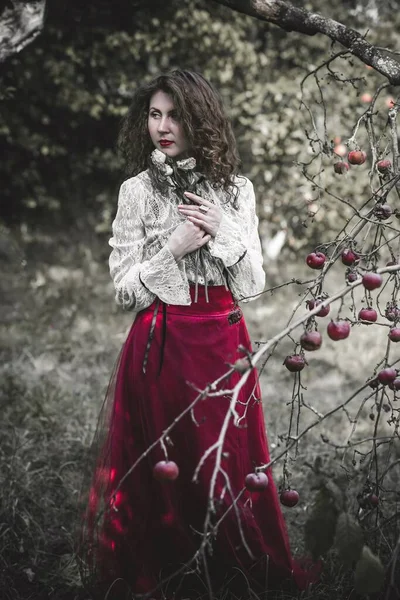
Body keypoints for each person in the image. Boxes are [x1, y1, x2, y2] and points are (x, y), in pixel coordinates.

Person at [78, 69, 316, 600]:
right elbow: (122, 291)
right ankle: (168, 570)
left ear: (199, 119)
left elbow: (253, 285)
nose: (163, 126)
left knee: (227, 460)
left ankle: (231, 569)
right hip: (160, 343)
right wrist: (174, 248)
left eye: (176, 114)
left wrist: (226, 231)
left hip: (225, 344)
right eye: (155, 114)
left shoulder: (236, 189)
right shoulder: (136, 191)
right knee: (167, 464)